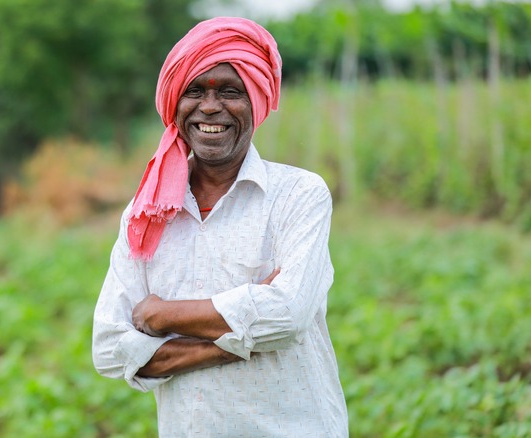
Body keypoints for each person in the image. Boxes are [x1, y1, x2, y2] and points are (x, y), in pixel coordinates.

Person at [92, 17, 348, 437]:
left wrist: (163, 315)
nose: (210, 106)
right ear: (176, 104)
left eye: (230, 91)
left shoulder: (299, 195)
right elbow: (108, 348)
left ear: (257, 103)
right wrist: (232, 340)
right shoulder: (146, 215)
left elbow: (287, 315)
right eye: (195, 90)